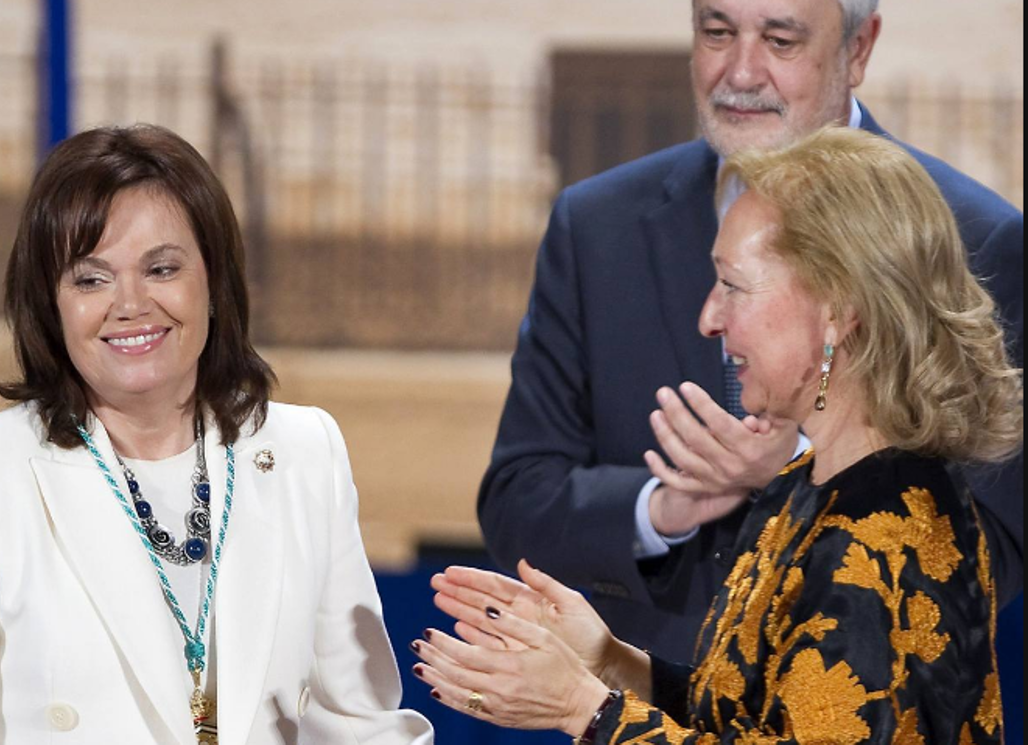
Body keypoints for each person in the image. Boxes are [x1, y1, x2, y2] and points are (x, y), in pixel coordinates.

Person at [479, 0, 1024, 665]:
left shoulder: (974, 240)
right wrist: (660, 508)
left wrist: (803, 473)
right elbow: (517, 503)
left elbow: (994, 552)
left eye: (780, 39)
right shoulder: (596, 226)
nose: (740, 73)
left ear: (858, 47)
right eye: (716, 32)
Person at [415, 127, 1022, 743]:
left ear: (837, 307)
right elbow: (760, 717)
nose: (708, 318)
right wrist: (609, 662)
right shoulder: (815, 489)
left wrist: (585, 708)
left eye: (733, 285)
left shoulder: (887, 534)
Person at [0, 124, 434, 745]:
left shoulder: (306, 452)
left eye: (161, 268)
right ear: (50, 305)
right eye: (90, 279)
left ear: (213, 285)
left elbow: (361, 726)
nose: (131, 303)